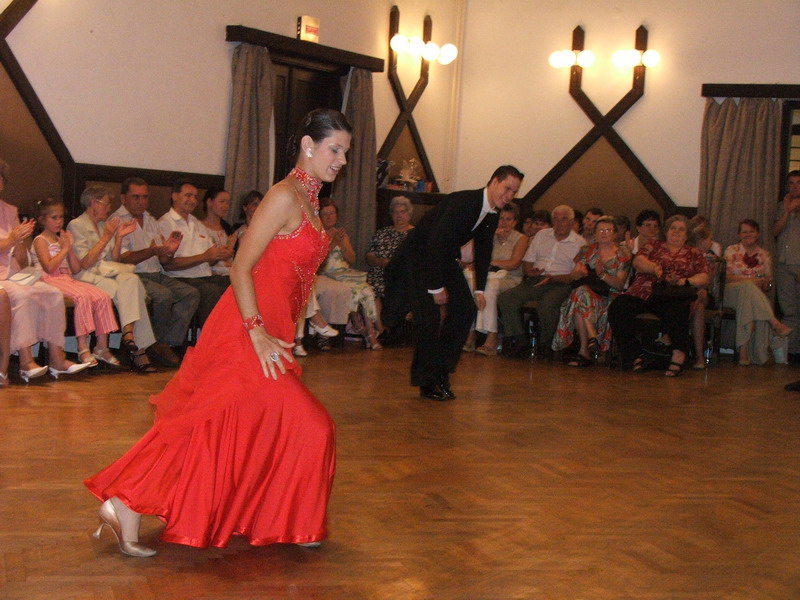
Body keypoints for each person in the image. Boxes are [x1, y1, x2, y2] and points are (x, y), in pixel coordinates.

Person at [84, 107, 347, 555]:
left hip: (271, 330)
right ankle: (289, 520)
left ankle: (126, 505)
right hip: (247, 330)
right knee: (306, 425)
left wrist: (281, 328)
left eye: (345, 152)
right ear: (308, 145)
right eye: (334, 150)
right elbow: (241, 266)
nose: (341, 160)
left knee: (223, 423)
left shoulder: (310, 200)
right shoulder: (284, 196)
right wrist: (256, 331)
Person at [406, 165, 523, 400]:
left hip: (444, 258)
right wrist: (436, 287)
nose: (509, 196)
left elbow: (483, 250)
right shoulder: (464, 202)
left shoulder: (492, 213)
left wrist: (479, 289)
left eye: (514, 192)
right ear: (494, 182)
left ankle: (441, 372)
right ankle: (427, 382)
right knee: (430, 320)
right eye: (507, 188)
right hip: (419, 257)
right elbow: (435, 242)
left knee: (466, 309)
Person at [0, 160, 88, 381]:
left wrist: (21, 240)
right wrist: (10, 240)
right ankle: (25, 361)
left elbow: (21, 259)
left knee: (52, 293)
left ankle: (57, 359)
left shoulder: (10, 210)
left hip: (14, 273)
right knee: (22, 295)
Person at [68, 184, 157, 373]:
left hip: (107, 272)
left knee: (131, 280)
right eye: (107, 204)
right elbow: (85, 263)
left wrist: (118, 238)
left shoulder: (103, 225)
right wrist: (106, 237)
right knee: (133, 292)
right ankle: (138, 349)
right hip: (87, 276)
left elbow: (114, 260)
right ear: (94, 203)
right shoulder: (76, 225)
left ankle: (129, 333)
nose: (109, 208)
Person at [112, 177, 200, 367]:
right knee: (163, 295)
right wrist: (152, 251)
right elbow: (122, 258)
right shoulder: (117, 221)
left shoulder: (151, 220)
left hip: (156, 273)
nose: (141, 201)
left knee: (190, 293)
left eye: (145, 197)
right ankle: (154, 344)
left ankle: (165, 341)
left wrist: (169, 251)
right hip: (134, 275)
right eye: (135, 197)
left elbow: (163, 260)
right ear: (123, 198)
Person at [607, 215, 709, 376]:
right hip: (644, 291)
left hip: (672, 294)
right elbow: (638, 261)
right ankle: (634, 354)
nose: (676, 232)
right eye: (673, 228)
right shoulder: (653, 245)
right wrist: (655, 268)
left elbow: (704, 277)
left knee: (678, 309)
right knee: (618, 307)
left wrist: (684, 281)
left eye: (681, 229)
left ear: (687, 235)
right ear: (666, 232)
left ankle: (678, 354)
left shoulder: (694, 253)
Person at [33, 198, 119, 368]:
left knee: (102, 296)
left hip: (67, 279)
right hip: (49, 280)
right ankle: (82, 346)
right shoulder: (40, 240)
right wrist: (65, 248)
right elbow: (49, 267)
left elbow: (75, 268)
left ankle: (102, 346)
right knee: (81, 297)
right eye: (54, 218)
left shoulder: (63, 239)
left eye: (61, 217)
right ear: (42, 219)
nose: (59, 221)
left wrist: (70, 247)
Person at [498, 204, 585, 359]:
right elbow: (528, 261)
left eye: (564, 219)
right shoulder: (542, 235)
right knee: (506, 298)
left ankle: (547, 344)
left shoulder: (580, 243)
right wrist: (529, 270)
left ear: (572, 222)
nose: (559, 223)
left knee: (547, 306)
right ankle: (519, 341)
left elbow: (576, 275)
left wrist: (553, 278)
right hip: (537, 279)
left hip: (561, 283)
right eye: (556, 219)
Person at [552, 216, 632, 366]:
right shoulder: (586, 250)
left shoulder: (623, 253)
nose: (604, 233)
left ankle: (585, 350)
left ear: (615, 234)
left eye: (608, 230)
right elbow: (574, 276)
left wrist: (602, 275)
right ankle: (592, 339)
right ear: (595, 233)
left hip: (610, 296)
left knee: (580, 298)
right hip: (587, 294)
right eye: (600, 230)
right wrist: (579, 273)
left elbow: (620, 284)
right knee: (581, 292)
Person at [158, 179, 233, 326]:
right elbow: (169, 265)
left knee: (234, 283)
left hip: (205, 275)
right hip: (180, 277)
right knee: (210, 291)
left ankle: (232, 333)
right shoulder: (165, 224)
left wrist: (219, 254)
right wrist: (204, 257)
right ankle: (208, 336)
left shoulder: (197, 223)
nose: (193, 200)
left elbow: (210, 259)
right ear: (174, 196)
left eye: (195, 197)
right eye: (188, 195)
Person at [723, 219, 791, 365]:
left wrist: (765, 283)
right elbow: (726, 277)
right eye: (744, 232)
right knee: (747, 287)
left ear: (758, 234)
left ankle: (744, 350)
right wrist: (749, 281)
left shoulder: (764, 255)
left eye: (751, 231)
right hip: (731, 292)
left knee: (748, 297)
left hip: (752, 296)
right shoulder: (731, 250)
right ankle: (774, 322)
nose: (748, 234)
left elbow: (768, 284)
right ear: (739, 234)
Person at [463, 202, 527, 355]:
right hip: (490, 276)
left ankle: (492, 336)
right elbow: (478, 257)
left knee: (487, 286)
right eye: (501, 218)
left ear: (515, 222)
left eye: (508, 219)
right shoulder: (490, 236)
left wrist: (490, 262)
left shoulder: (521, 239)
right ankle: (470, 332)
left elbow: (513, 264)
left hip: (511, 278)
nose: (504, 222)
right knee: (472, 283)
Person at [317, 198, 382, 349]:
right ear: (319, 216)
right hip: (326, 273)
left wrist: (342, 244)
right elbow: (318, 262)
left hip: (344, 272)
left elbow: (352, 259)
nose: (329, 217)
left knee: (367, 290)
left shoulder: (340, 233)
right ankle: (361, 328)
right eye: (325, 214)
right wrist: (333, 243)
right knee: (354, 290)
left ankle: (369, 333)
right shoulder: (317, 233)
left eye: (332, 213)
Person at [366, 195, 414, 334]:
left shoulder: (416, 234)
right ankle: (381, 329)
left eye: (402, 212)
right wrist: (380, 261)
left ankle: (391, 328)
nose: (399, 216)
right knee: (374, 287)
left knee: (400, 286)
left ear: (409, 214)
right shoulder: (382, 233)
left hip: (403, 275)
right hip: (380, 272)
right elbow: (369, 255)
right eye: (395, 212)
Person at [772, 170, 800, 360]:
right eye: (791, 183)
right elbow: (775, 231)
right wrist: (787, 211)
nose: (794, 186)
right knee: (789, 309)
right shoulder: (781, 206)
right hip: (783, 263)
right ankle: (791, 351)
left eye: (798, 183)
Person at [200, 188, 237, 276]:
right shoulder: (199, 228)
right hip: (209, 275)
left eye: (228, 203)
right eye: (222, 201)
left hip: (229, 273)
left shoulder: (228, 229)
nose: (226, 206)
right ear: (209, 202)